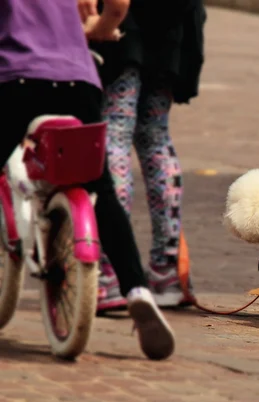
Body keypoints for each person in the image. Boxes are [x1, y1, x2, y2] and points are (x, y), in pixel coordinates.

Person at [0, 0, 176, 360]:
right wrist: (100, 30)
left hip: (15, 81)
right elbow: (118, 5)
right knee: (101, 189)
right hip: (79, 83)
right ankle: (138, 292)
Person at [81, 0, 206, 311]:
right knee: (155, 135)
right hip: (170, 23)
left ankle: (110, 273)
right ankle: (167, 271)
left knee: (116, 135)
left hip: (123, 23)